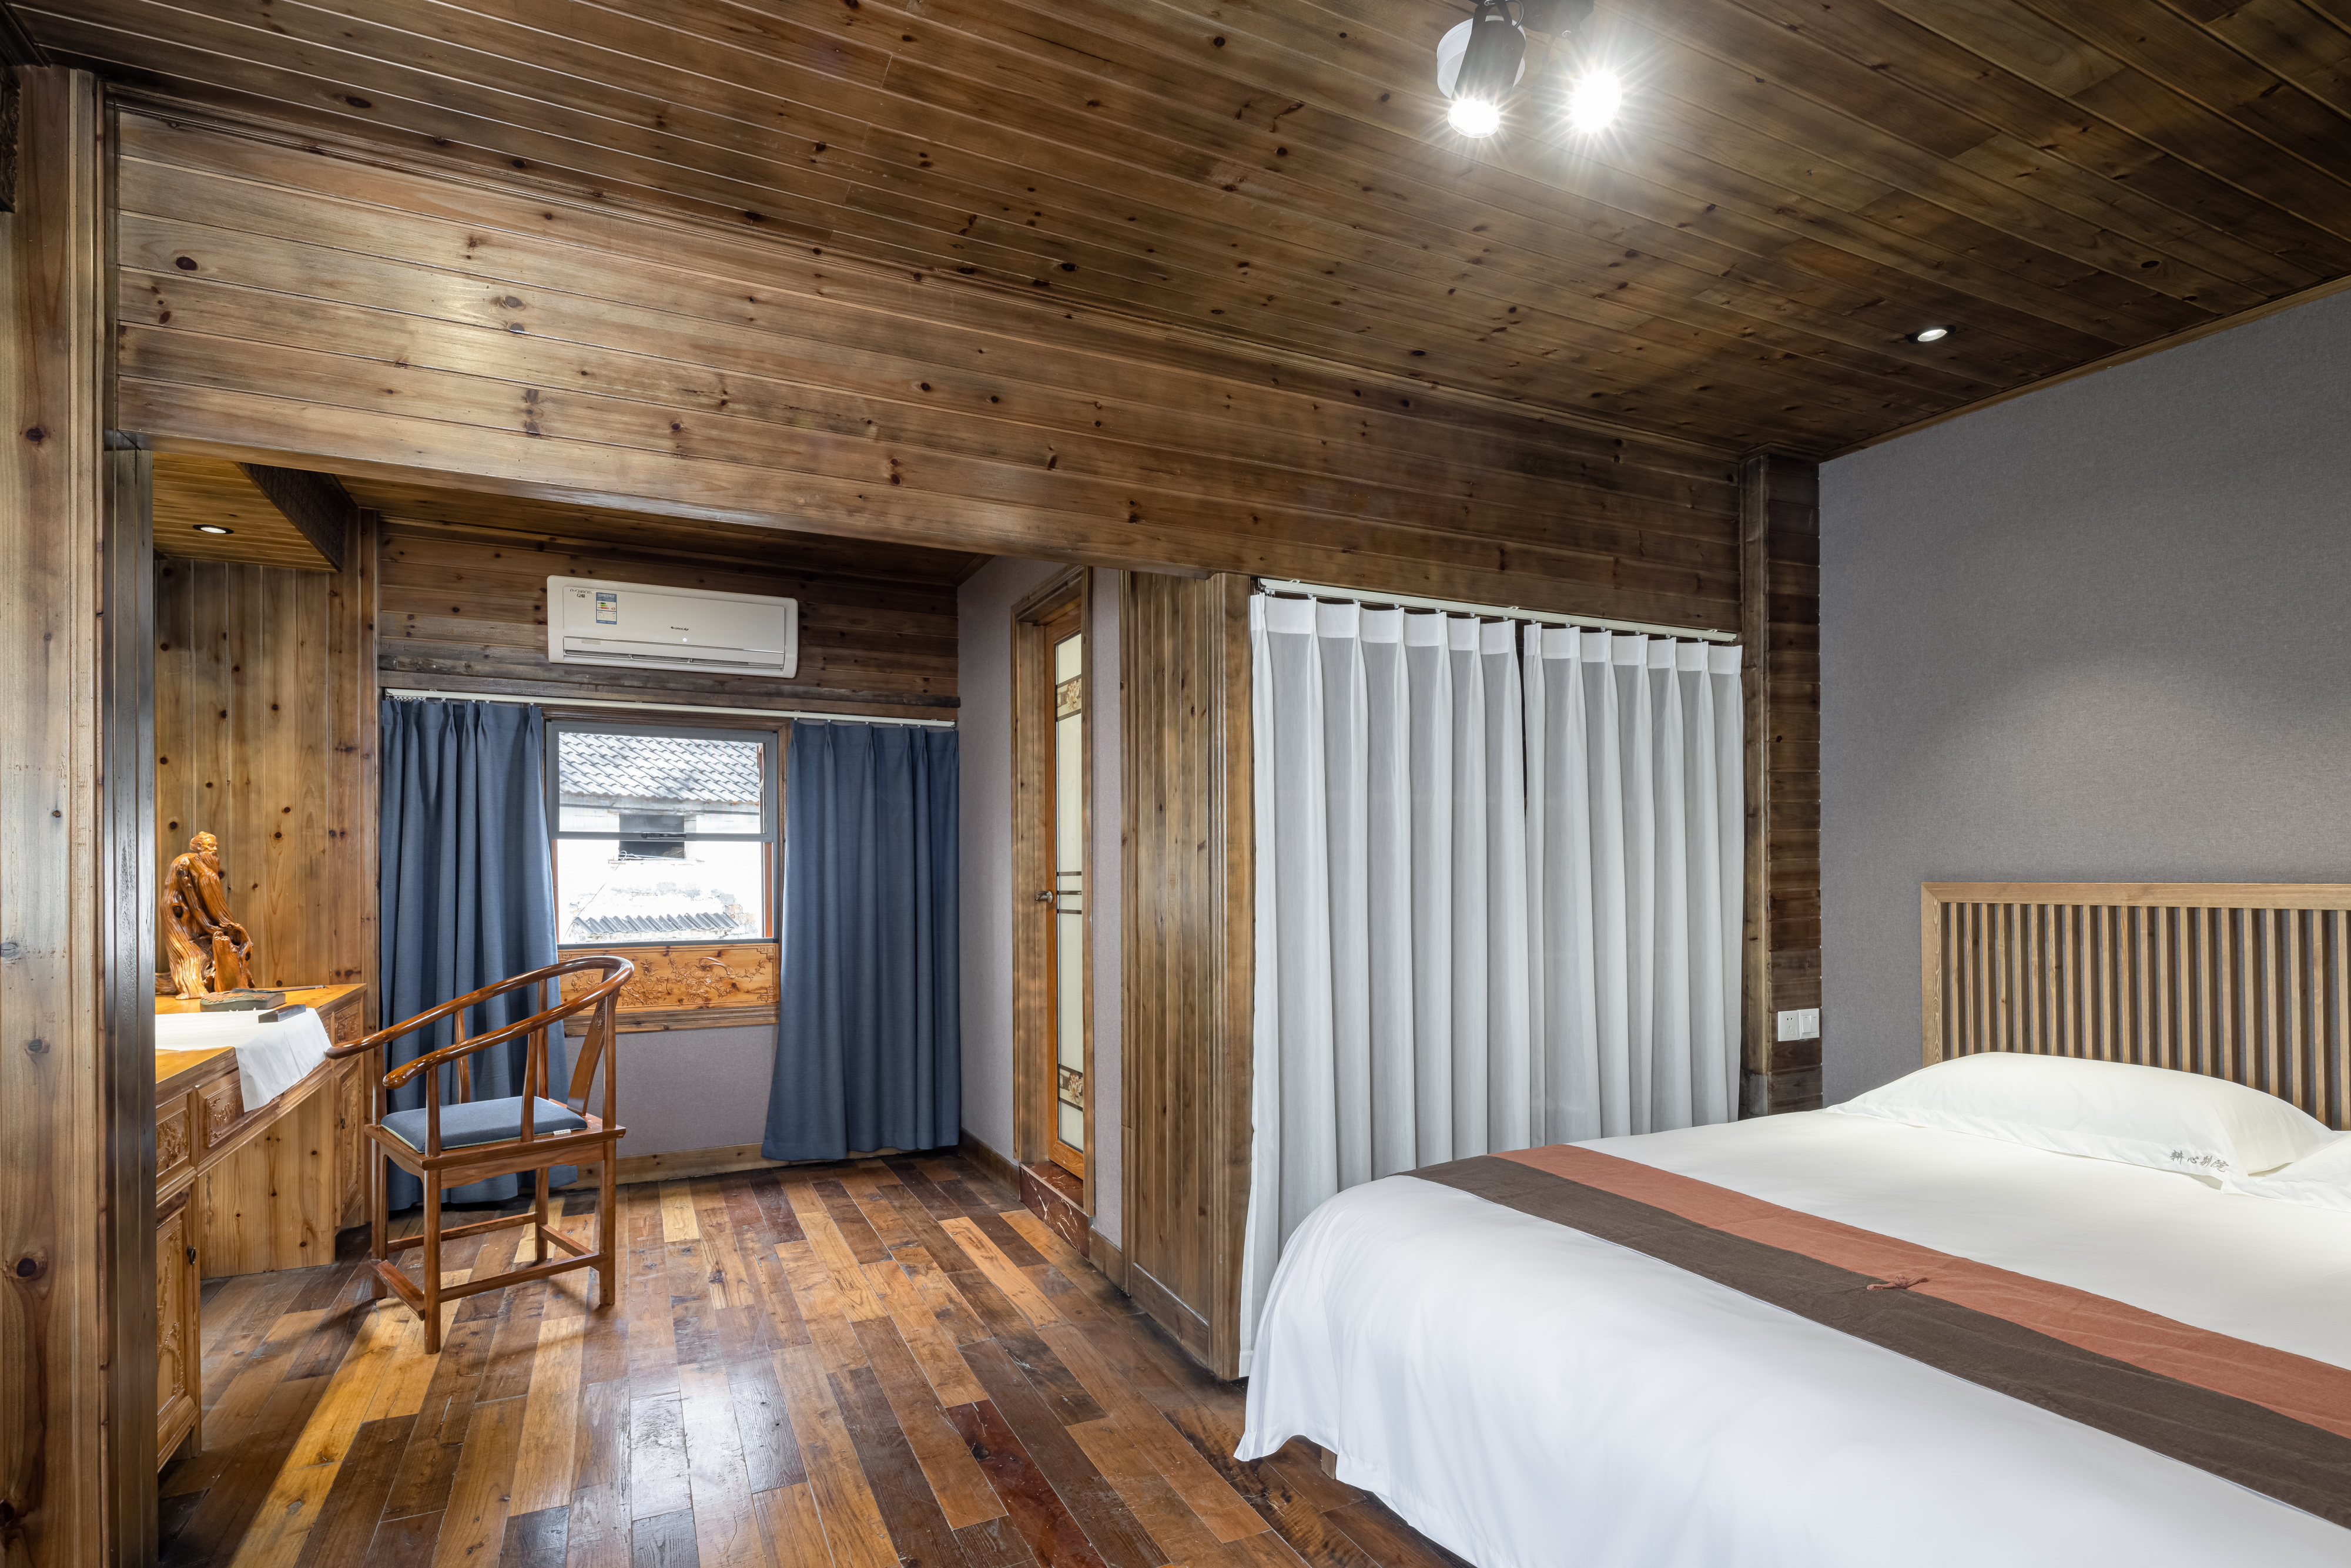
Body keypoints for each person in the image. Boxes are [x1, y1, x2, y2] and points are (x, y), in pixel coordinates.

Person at [163, 831, 255, 998]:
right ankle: (193, 987)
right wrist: (227, 925)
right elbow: (218, 911)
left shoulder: (189, 863)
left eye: (216, 847)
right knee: (192, 956)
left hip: (184, 914)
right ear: (199, 847)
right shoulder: (205, 872)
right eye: (211, 846)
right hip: (180, 917)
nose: (214, 850)